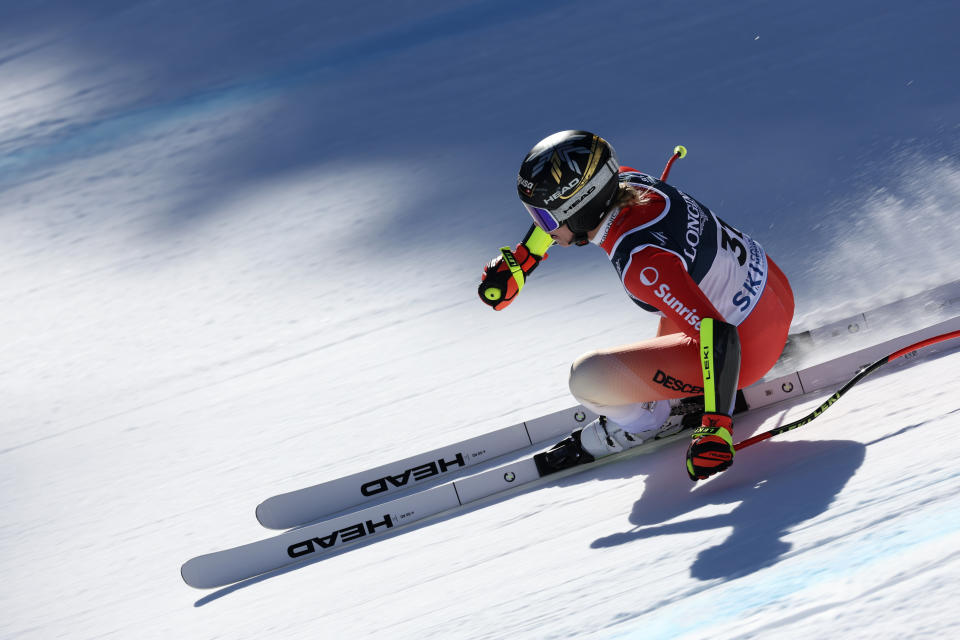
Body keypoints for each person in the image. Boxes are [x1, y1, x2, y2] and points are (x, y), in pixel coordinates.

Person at [478, 130, 795, 481]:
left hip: (747, 347)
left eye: (546, 220)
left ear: (581, 207)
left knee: (587, 378)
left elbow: (717, 333)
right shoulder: (626, 179)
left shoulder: (641, 264)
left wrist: (716, 428)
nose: (543, 228)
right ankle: (682, 388)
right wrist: (522, 261)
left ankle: (649, 420)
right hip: (774, 292)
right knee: (670, 296)